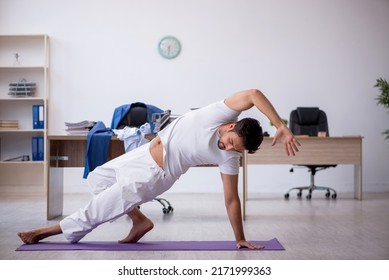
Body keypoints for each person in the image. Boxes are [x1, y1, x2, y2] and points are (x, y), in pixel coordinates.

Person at [18, 89, 300, 249]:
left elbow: (231, 199)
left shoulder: (229, 158)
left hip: (154, 176)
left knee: (98, 210)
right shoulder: (221, 112)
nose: (227, 149)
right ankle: (140, 221)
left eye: (233, 150)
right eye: (229, 142)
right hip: (141, 154)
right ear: (229, 126)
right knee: (97, 179)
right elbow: (253, 93)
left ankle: (45, 232)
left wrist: (239, 238)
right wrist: (280, 125)